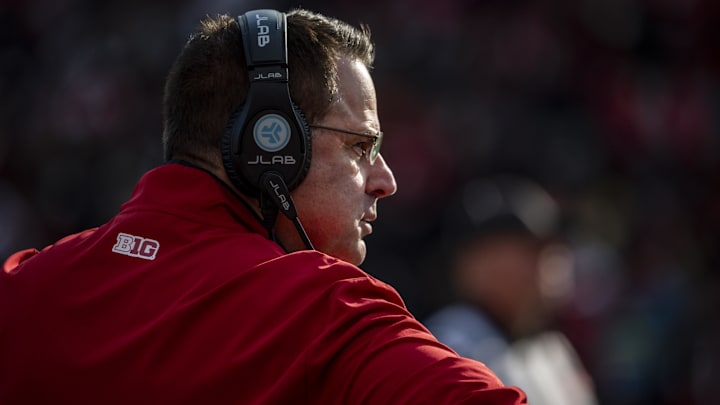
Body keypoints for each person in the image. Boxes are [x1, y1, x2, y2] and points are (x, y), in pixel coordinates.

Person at [1, 8, 527, 404]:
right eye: (360, 147)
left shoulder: (21, 287)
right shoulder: (323, 314)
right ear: (269, 146)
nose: (384, 180)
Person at [424, 174, 597, 405]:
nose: (554, 260)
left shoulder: (551, 348)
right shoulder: (450, 346)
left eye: (553, 248)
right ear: (477, 264)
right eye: (532, 251)